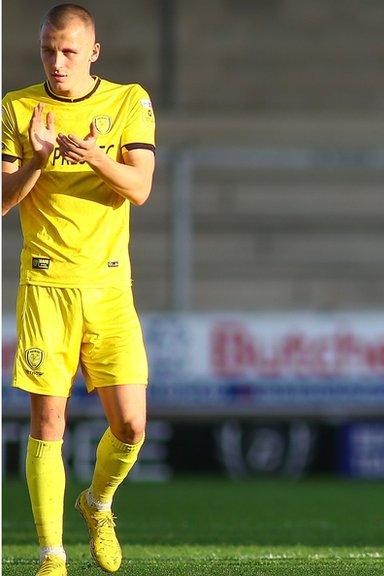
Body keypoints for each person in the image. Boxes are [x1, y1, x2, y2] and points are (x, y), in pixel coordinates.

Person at [2, 5, 156, 575]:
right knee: (48, 423)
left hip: (110, 285)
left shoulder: (127, 102)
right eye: (48, 50)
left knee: (132, 426)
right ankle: (51, 554)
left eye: (69, 51)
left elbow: (140, 188)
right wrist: (37, 161)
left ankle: (97, 502)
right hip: (45, 285)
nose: (57, 62)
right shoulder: (16, 109)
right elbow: (1, 200)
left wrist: (94, 155)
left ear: (94, 50)